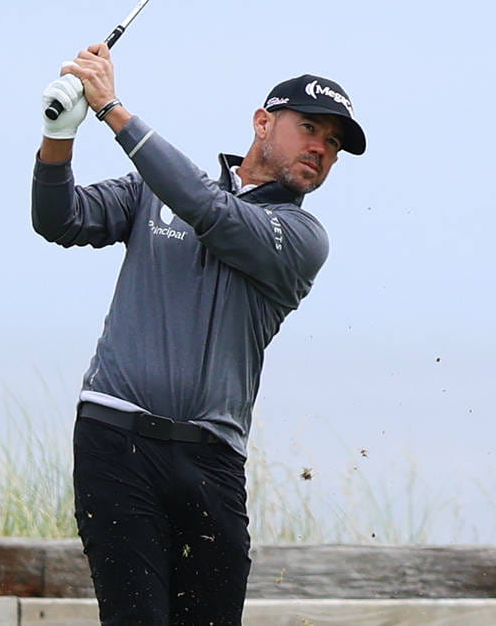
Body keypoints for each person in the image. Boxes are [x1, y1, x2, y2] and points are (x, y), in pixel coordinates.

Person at [31, 43, 365, 625]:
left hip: (211, 464)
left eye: (333, 143)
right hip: (116, 442)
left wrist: (112, 109)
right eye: (309, 128)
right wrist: (58, 133)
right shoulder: (154, 189)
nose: (321, 149)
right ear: (263, 122)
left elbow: (210, 211)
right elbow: (59, 219)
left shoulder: (302, 236)